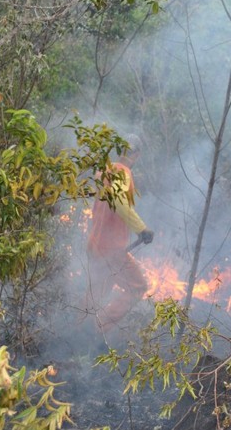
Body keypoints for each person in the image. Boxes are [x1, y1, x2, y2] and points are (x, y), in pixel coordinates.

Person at [86, 134, 154, 333]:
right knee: (138, 287)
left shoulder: (103, 171)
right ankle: (99, 328)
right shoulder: (123, 172)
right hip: (111, 249)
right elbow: (117, 201)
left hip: (94, 244)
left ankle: (78, 330)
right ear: (138, 154)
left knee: (97, 291)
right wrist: (141, 228)